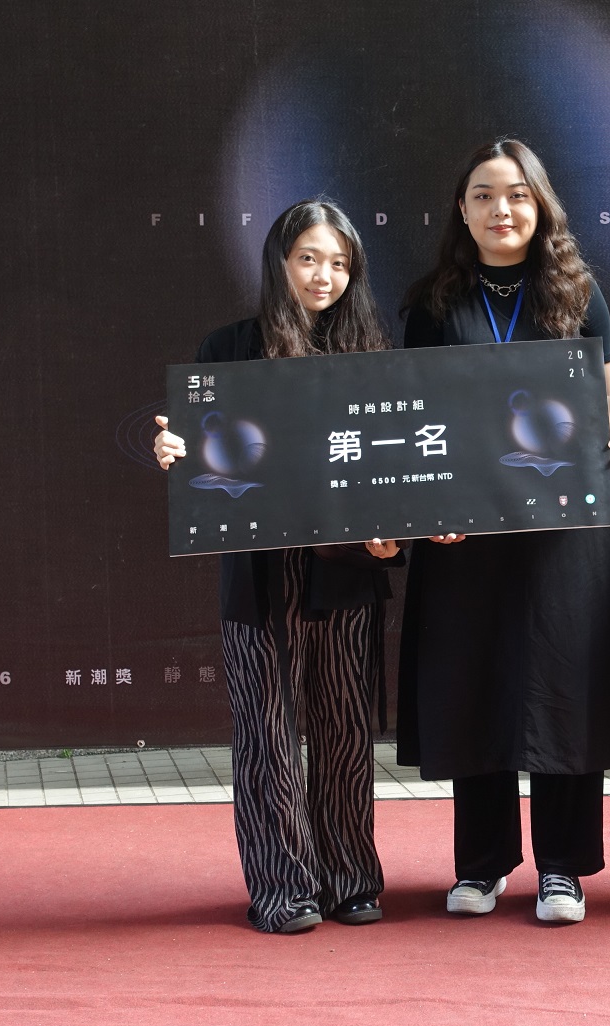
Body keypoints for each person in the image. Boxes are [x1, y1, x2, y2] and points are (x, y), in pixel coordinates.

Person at [397, 137, 610, 924]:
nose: (502, 209)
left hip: (563, 530)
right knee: (477, 687)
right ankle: (482, 863)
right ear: (461, 211)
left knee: (565, 687)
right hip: (466, 534)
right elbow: (418, 419)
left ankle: (563, 867)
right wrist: (429, 505)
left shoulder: (579, 295)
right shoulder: (432, 304)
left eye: (518, 195)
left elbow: (604, 407)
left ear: (542, 206)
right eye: (484, 195)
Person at [152, 199, 402, 934]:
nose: (324, 276)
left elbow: (398, 472)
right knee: (267, 733)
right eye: (308, 259)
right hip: (260, 574)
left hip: (345, 570)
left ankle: (349, 878)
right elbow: (199, 456)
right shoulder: (228, 349)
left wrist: (395, 540)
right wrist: (172, 452)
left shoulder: (371, 357)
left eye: (340, 263)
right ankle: (282, 887)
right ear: (279, 263)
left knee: (343, 729)